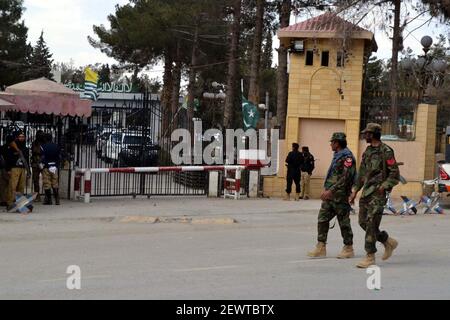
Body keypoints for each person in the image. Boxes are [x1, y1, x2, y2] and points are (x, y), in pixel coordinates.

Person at [349, 123, 400, 268]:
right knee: (362, 222)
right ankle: (387, 241)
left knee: (371, 223)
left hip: (378, 194)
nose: (364, 135)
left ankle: (370, 256)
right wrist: (354, 191)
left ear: (372, 134)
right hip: (366, 192)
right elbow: (362, 174)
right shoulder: (367, 151)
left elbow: (395, 174)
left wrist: (384, 186)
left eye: (366, 133)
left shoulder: (386, 151)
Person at [307, 133, 356, 259]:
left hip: (340, 195)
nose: (330, 144)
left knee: (343, 222)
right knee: (322, 218)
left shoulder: (347, 157)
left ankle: (348, 247)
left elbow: (346, 177)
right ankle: (321, 246)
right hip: (331, 195)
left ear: (337, 143)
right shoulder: (337, 156)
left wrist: (331, 190)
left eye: (332, 142)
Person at [4, 131, 30, 210]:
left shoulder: (25, 148)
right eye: (20, 137)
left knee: (21, 187)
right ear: (17, 138)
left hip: (22, 169)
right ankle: (10, 203)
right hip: (14, 168)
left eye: (23, 137)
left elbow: (26, 160)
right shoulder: (12, 147)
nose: (22, 138)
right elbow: (7, 159)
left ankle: (20, 204)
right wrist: (8, 169)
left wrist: (29, 171)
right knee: (12, 186)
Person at [41, 133, 61, 205]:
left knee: (47, 183)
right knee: (55, 183)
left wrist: (44, 164)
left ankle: (49, 200)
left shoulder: (43, 146)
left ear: (45, 139)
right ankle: (57, 200)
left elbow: (42, 158)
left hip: (46, 167)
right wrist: (56, 165)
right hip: (54, 167)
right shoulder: (56, 146)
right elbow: (58, 157)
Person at [31, 130, 45, 202]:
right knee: (35, 181)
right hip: (35, 163)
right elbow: (34, 151)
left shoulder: (44, 143)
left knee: (46, 180)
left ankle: (47, 196)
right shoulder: (34, 143)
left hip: (43, 163)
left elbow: (44, 152)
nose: (40, 136)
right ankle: (37, 196)